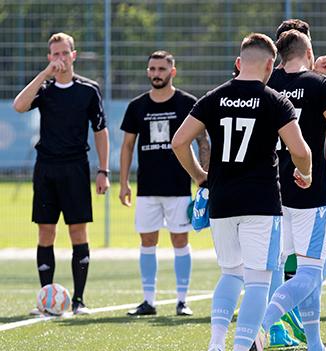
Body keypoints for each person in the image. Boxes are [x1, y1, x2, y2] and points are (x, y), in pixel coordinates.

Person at [172, 33, 312, 351]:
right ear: (269, 65)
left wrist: (200, 176)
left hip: (223, 199)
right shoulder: (275, 100)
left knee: (230, 274)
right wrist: (305, 174)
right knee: (258, 283)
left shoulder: (214, 97)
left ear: (239, 62)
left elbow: (179, 142)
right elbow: (301, 151)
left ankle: (216, 346)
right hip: (261, 202)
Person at [254, 29, 326, 351]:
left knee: (280, 269)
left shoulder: (267, 87)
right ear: (308, 51)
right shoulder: (320, 85)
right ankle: (260, 327)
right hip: (307, 189)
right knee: (312, 272)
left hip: (271, 189)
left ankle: (314, 346)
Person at [13, 32, 109, 315]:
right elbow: (18, 105)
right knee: (46, 232)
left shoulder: (88, 90)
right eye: (54, 54)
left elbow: (100, 131)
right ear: (49, 57)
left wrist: (103, 170)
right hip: (46, 168)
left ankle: (78, 301)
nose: (60, 59)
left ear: (74, 55)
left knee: (78, 231)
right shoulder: (44, 89)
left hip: (76, 168)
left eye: (64, 53)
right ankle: (46, 301)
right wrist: (45, 74)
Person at [119, 51, 210, 317]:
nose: (156, 73)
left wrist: (203, 178)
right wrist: (124, 183)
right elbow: (127, 146)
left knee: (180, 241)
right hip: (147, 188)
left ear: (173, 71)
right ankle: (148, 301)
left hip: (179, 186)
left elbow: (202, 142)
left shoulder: (187, 103)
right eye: (152, 69)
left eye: (161, 68)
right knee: (147, 241)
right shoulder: (137, 106)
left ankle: (182, 301)